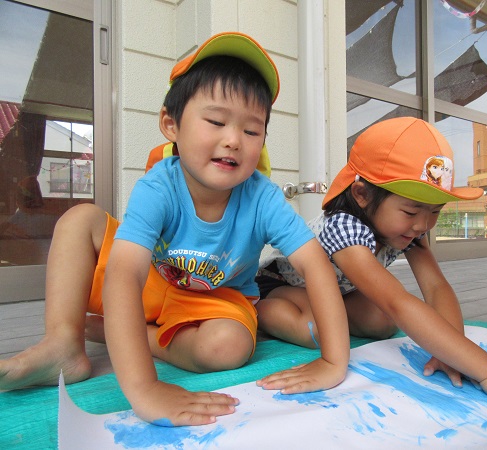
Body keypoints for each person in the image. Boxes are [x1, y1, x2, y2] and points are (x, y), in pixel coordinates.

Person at [0, 32, 350, 426]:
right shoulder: (159, 186)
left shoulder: (263, 198)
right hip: (151, 281)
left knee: (230, 347)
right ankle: (64, 342)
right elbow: (124, 274)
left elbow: (315, 265)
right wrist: (145, 388)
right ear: (171, 125)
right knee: (80, 219)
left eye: (252, 131)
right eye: (216, 121)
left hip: (216, 297)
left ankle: (137, 336)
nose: (233, 140)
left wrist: (333, 361)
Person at [256, 117, 487, 418]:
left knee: (380, 322)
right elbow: (396, 301)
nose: (423, 225)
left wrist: (451, 349)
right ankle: (261, 313)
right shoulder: (343, 226)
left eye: (434, 212)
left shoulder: (407, 228)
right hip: (283, 286)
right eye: (411, 212)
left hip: (341, 291)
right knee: (317, 328)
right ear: (362, 194)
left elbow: (436, 287)